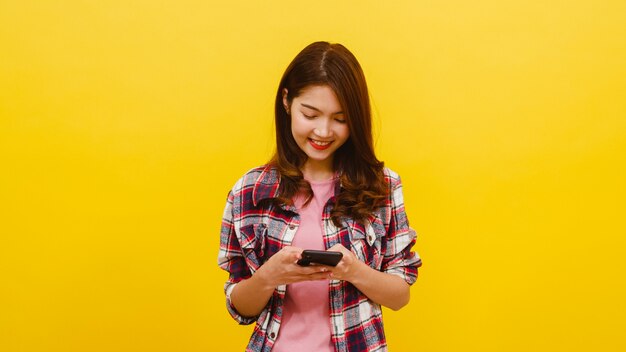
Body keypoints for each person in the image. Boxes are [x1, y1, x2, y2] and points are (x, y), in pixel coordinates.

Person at [218, 41, 422, 352]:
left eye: (340, 119)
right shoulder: (250, 191)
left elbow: (400, 296)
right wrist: (268, 276)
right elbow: (240, 308)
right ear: (287, 101)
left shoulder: (382, 186)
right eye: (310, 114)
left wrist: (353, 269)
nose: (323, 131)